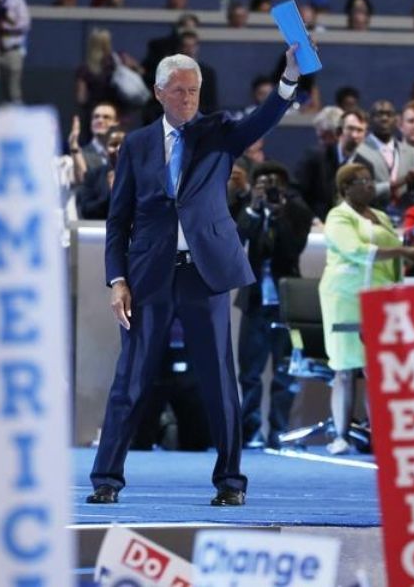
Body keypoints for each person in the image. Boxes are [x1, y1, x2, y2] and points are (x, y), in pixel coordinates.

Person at [88, 45, 304, 507]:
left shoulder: (219, 131)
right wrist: (116, 280)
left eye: (195, 91)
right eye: (180, 91)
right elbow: (117, 220)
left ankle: (230, 482)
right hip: (147, 276)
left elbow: (261, 121)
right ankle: (106, 478)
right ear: (160, 92)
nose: (188, 98)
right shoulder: (137, 144)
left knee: (219, 380)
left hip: (203, 275)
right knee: (130, 378)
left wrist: (287, 80)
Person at [319, 163, 414, 455]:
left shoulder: (380, 216)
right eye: (361, 181)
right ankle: (340, 435)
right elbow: (355, 250)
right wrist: (402, 251)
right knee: (344, 368)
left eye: (370, 180)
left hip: (380, 298)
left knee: (376, 369)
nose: (369, 185)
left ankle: (379, 434)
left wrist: (405, 262)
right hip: (345, 298)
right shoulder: (338, 216)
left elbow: (394, 252)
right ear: (345, 189)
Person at [234, 162, 313, 450]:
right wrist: (255, 209)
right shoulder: (248, 208)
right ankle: (250, 430)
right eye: (263, 182)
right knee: (250, 373)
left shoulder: (297, 210)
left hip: (287, 306)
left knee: (285, 371)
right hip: (255, 302)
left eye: (275, 182)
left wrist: (279, 216)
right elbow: (237, 239)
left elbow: (293, 249)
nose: (269, 187)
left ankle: (278, 430)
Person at [352, 100, 414, 224]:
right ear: (369, 120)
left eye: (389, 114)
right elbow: (358, 192)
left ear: (396, 120)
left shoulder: (413, 154)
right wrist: (396, 183)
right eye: (379, 114)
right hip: (370, 220)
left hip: (406, 220)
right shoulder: (358, 152)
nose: (384, 118)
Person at [296, 108, 367, 222]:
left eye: (324, 137)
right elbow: (296, 193)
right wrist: (311, 218)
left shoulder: (364, 164)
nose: (321, 142)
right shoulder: (313, 157)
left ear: (338, 133)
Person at [78, 128, 125, 220]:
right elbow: (86, 210)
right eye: (113, 145)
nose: (118, 149)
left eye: (123, 144)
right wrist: (110, 194)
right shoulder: (93, 176)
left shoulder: (141, 175)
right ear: (106, 149)